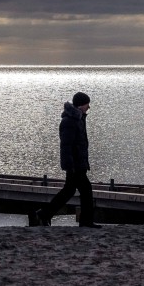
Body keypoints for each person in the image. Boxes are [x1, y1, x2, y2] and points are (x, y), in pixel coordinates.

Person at [31, 92, 99, 228]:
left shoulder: (78, 119)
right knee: (84, 190)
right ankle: (85, 221)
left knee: (70, 191)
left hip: (78, 163)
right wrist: (70, 165)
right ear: (81, 105)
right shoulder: (70, 121)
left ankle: (44, 214)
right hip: (75, 165)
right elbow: (66, 146)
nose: (89, 107)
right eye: (87, 104)